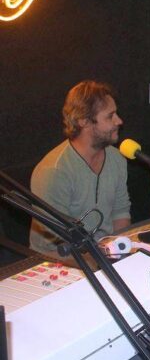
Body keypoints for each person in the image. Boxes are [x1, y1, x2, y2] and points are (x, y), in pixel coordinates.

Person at [30, 80, 131, 260]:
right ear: (84, 121)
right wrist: (100, 262)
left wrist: (119, 254)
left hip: (104, 255)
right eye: (110, 116)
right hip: (59, 261)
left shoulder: (116, 158)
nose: (119, 121)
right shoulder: (54, 171)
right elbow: (54, 243)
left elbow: (120, 212)